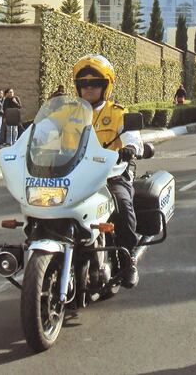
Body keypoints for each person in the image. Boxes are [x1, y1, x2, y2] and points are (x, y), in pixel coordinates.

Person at [73, 54, 144, 288]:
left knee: (122, 205)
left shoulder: (118, 113)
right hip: (74, 176)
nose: (89, 87)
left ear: (106, 86)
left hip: (111, 175)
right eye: (84, 83)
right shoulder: (68, 114)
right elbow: (48, 134)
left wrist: (130, 148)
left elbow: (133, 139)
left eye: (95, 83)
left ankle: (128, 259)